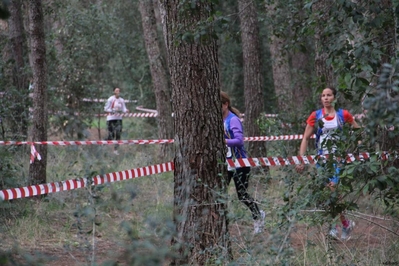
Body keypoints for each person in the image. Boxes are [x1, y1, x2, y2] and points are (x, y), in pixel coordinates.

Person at [296, 87, 360, 241]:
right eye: (323, 95)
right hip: (321, 160)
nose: (325, 98)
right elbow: (305, 138)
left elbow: (358, 131)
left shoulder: (343, 114)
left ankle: (333, 227)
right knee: (330, 194)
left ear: (334, 97)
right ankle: (345, 224)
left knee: (332, 189)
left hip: (338, 160)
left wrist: (359, 148)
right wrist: (301, 159)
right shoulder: (316, 115)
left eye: (329, 95)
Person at [221, 91, 265, 234]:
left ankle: (258, 216)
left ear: (225, 104)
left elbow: (239, 141)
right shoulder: (218, 120)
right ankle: (221, 225)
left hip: (240, 163)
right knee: (220, 194)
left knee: (242, 195)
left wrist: (223, 141)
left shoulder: (233, 120)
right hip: (226, 164)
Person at [104, 87, 129, 155]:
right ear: (114, 92)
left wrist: (126, 111)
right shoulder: (110, 99)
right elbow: (106, 109)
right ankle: (103, 146)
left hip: (119, 119)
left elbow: (124, 109)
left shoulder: (122, 100)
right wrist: (112, 111)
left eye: (119, 91)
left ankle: (116, 150)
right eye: (116, 91)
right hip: (111, 119)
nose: (118, 92)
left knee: (118, 134)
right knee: (111, 136)